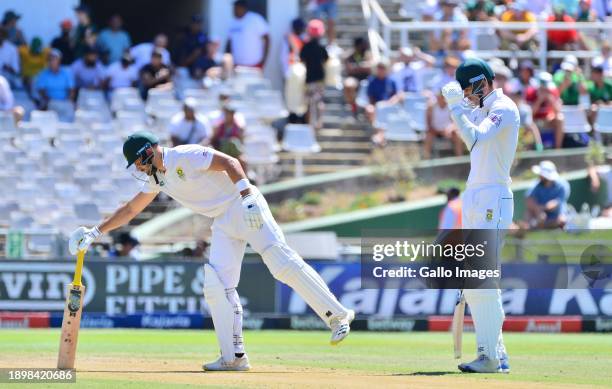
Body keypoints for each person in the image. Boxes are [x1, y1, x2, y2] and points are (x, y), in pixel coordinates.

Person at [68, 131, 355, 371]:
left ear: (147, 152)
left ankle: (338, 316)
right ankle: (233, 357)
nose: (139, 169)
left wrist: (247, 197)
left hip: (244, 204)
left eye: (138, 163)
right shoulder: (158, 179)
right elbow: (130, 209)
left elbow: (229, 162)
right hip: (223, 220)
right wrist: (95, 232)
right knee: (216, 284)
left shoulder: (184, 155)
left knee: (281, 262)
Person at [441, 57, 518, 373]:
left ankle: (489, 356)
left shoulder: (504, 108)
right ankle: (496, 354)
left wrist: (455, 109)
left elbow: (476, 138)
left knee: (481, 277)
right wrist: (459, 109)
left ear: (480, 83)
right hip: (476, 196)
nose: (466, 97)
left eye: (467, 90)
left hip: (493, 197)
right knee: (475, 280)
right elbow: (466, 131)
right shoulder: (480, 108)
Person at [523, 160, 570, 229]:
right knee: (528, 214)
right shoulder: (536, 184)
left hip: (556, 215)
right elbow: (528, 199)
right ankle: (538, 226)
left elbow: (554, 204)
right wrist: (538, 210)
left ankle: (542, 226)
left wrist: (542, 208)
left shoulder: (562, 185)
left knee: (562, 220)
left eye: (541, 175)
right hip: (539, 214)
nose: (539, 176)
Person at [300, 19, 329, 130]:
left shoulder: (305, 47)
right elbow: (326, 60)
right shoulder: (322, 47)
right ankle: (319, 123)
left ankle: (309, 126)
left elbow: (301, 60)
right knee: (319, 101)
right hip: (320, 79)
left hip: (309, 79)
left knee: (309, 103)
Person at [525, 72, 564, 149]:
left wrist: (551, 100)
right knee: (528, 123)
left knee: (560, 119)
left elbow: (558, 111)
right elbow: (530, 114)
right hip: (535, 121)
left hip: (548, 120)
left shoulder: (553, 92)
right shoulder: (530, 92)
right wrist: (539, 100)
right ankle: (532, 149)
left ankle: (557, 149)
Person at [226, 0, 270, 69]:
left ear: (243, 8)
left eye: (236, 8)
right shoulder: (232, 22)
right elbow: (229, 43)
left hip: (255, 65)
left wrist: (263, 60)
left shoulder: (255, 19)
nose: (234, 10)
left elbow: (267, 39)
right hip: (236, 65)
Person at [366, 61, 399, 145]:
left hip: (390, 106)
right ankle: (380, 135)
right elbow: (370, 97)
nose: (381, 70)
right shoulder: (372, 81)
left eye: (383, 68)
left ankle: (380, 136)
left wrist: (388, 103)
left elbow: (396, 96)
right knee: (370, 109)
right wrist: (376, 105)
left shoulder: (392, 81)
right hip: (376, 106)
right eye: (379, 68)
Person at [424, 90, 463, 159]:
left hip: (448, 132)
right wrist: (438, 131)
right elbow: (429, 125)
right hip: (434, 131)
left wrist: (450, 129)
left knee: (457, 135)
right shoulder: (431, 107)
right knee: (428, 137)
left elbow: (455, 123)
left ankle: (459, 159)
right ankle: (426, 159)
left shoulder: (451, 107)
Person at [342, 37, 372, 115]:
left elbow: (370, 67)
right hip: (354, 79)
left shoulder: (368, 54)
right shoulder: (351, 55)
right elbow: (349, 68)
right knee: (348, 84)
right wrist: (361, 67)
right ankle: (354, 107)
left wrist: (356, 67)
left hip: (367, 79)